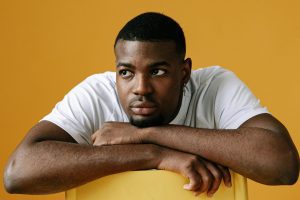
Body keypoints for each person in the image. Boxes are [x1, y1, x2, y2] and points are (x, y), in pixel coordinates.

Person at [4, 12, 299, 197]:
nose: (140, 88)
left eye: (158, 71)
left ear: (184, 72)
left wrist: (146, 132)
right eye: (126, 72)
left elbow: (282, 166)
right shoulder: (98, 91)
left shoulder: (215, 85)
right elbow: (19, 174)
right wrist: (154, 155)